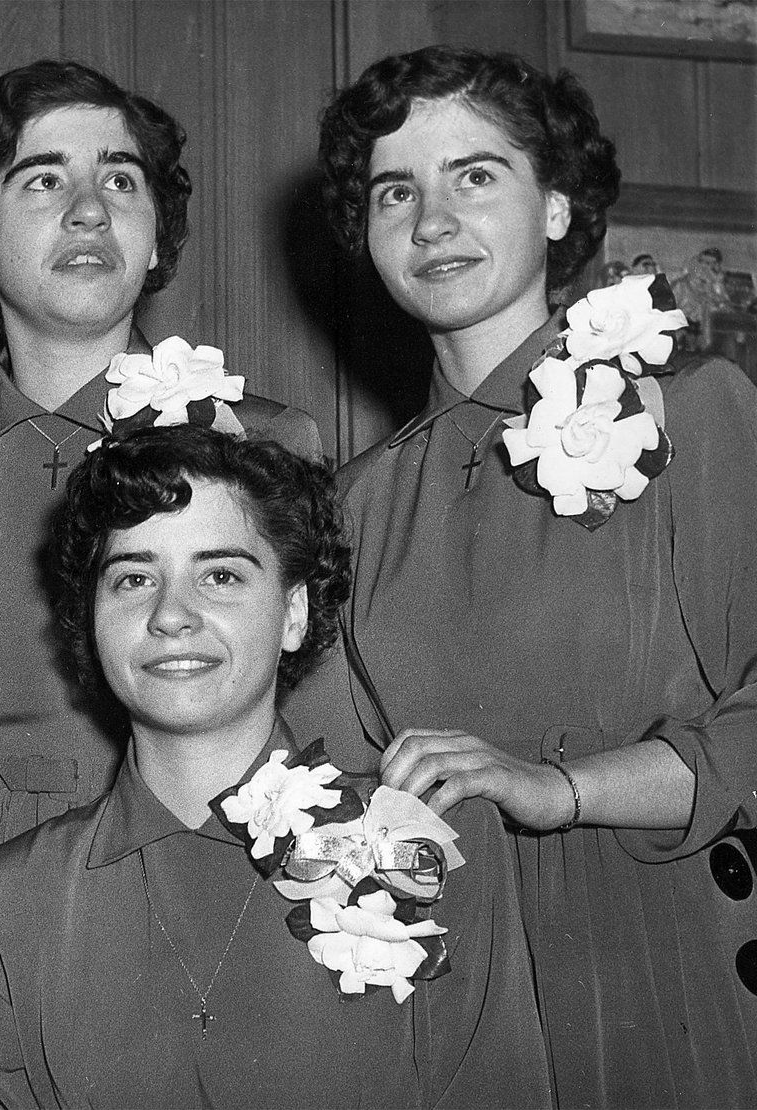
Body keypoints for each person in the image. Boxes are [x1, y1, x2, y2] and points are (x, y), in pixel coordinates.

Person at [294, 44, 757, 1106]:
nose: (431, 221)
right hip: (451, 1002)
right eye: (394, 191)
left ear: (555, 207)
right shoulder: (354, 502)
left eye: (474, 175)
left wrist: (559, 790)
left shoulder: (691, 414)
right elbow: (345, 794)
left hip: (660, 973)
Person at [0, 425, 550, 1109]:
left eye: (220, 576)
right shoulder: (10, 898)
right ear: (92, 619)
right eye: (134, 578)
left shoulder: (429, 845)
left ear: (294, 612)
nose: (171, 615)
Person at [0, 60, 322, 845]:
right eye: (44, 181)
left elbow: (316, 732)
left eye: (121, 180)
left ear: (155, 238)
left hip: (215, 851)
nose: (90, 210)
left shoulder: (260, 442)